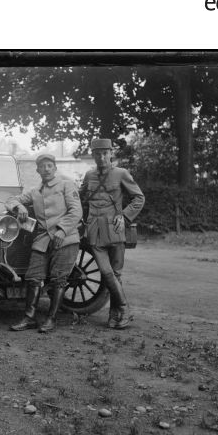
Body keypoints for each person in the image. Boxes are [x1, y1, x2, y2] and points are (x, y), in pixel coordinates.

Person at [6, 153, 82, 333]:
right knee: (33, 277)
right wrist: (20, 207)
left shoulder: (66, 185)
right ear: (37, 170)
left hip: (66, 238)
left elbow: (76, 211)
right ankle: (29, 318)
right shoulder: (35, 191)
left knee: (59, 279)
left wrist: (62, 230)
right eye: (43, 166)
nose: (46, 169)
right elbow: (11, 200)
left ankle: (51, 318)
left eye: (50, 165)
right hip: (42, 240)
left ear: (55, 168)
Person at [79, 138, 145, 329]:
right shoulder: (89, 175)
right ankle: (124, 309)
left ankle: (113, 315)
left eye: (105, 153)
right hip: (94, 230)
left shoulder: (121, 173)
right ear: (93, 155)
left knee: (116, 273)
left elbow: (139, 198)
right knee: (106, 272)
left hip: (115, 229)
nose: (101, 157)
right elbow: (82, 199)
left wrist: (124, 216)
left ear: (111, 153)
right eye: (97, 154)